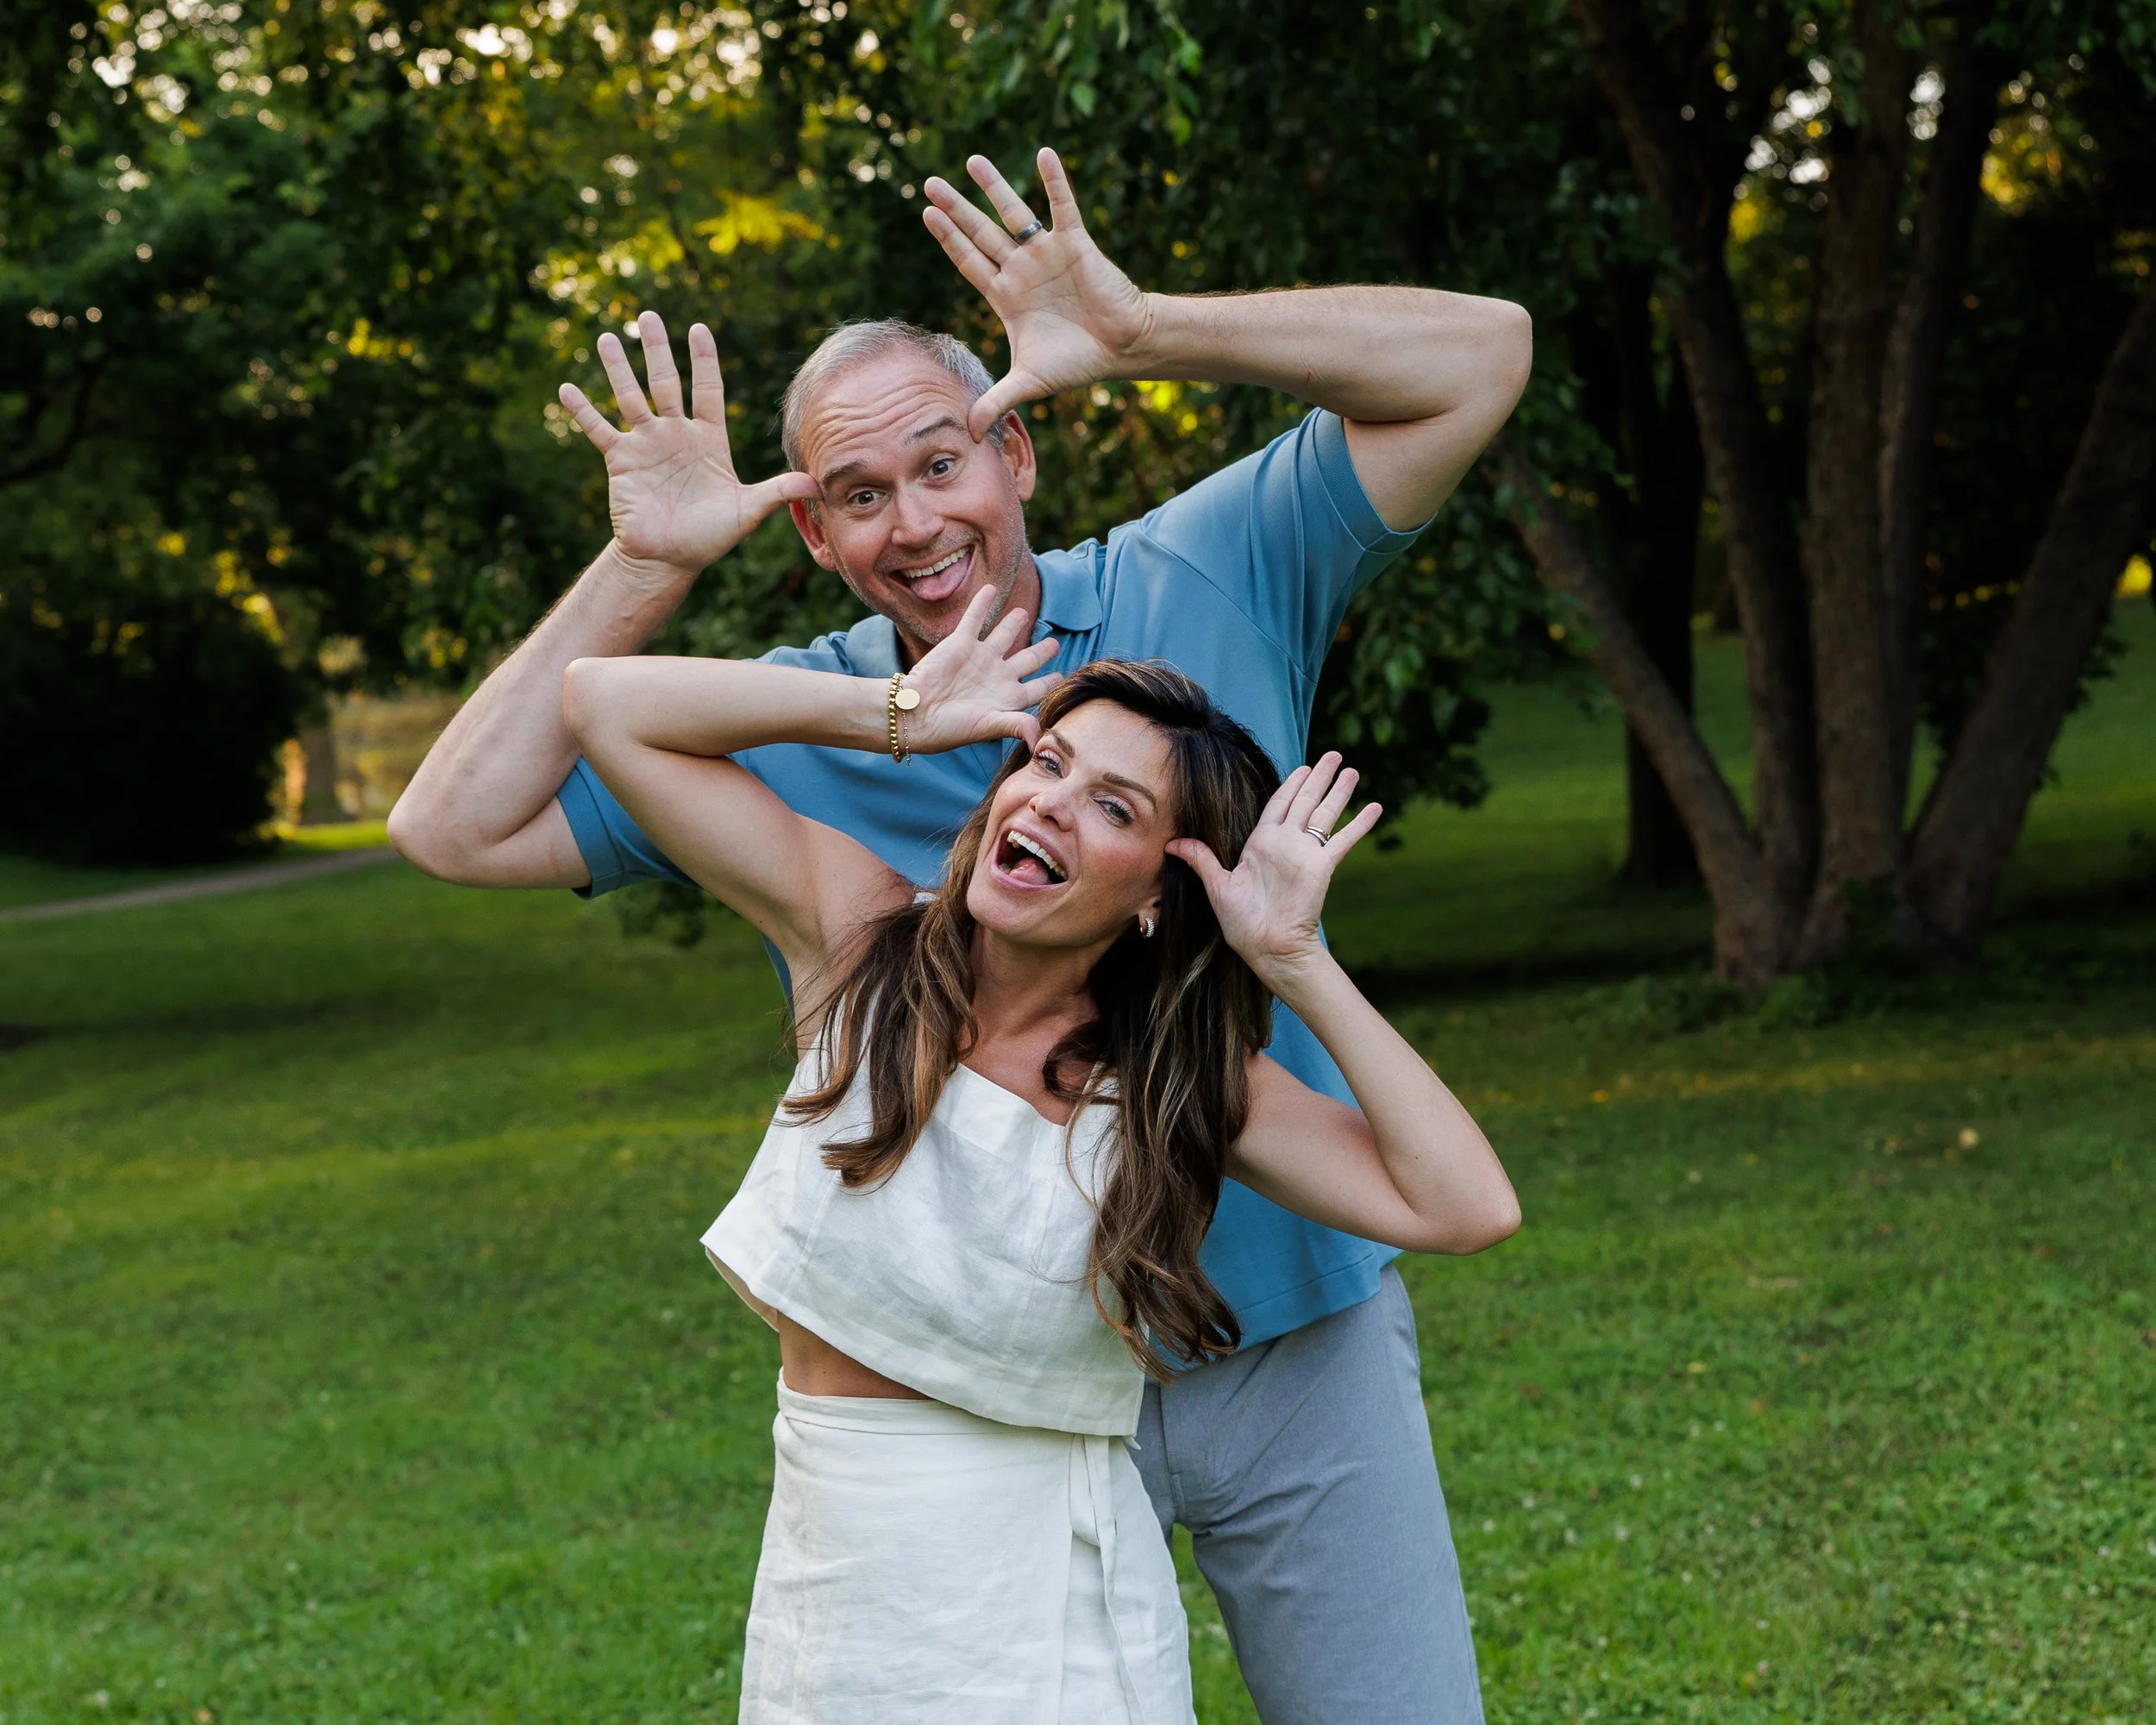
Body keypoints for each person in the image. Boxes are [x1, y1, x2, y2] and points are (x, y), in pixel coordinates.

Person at [390, 147, 1532, 1722]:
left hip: (1293, 1349)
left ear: (1016, 457)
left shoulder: (1193, 572)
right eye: (858, 495)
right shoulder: (808, 728)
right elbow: (454, 826)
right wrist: (653, 566)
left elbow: (1484, 355)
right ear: (816, 537)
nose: (914, 523)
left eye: (944, 464)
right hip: (1000, 1398)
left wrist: (1142, 328)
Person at [559, 573, 1520, 1720]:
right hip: (830, 1578)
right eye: (1046, 764)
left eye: (1114, 807)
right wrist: (897, 713)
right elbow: (603, 701)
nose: (1053, 806)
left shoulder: (1163, 1084)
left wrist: (1297, 962)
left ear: (1160, 896)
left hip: (1040, 1618)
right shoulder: (864, 942)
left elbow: (1467, 1206)